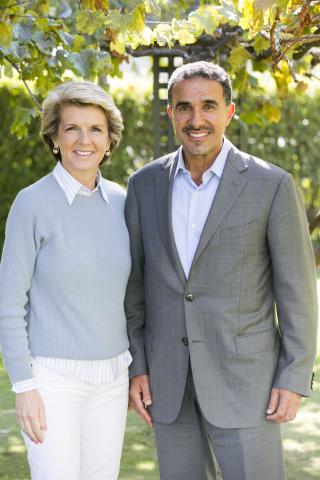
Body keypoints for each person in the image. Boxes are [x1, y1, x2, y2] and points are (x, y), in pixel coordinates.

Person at [124, 61, 318, 480]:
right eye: (184, 107)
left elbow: (297, 293)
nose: (196, 120)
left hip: (247, 384)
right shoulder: (144, 185)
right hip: (167, 383)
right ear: (170, 113)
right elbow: (135, 288)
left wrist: (294, 375)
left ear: (229, 111)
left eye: (208, 106)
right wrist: (138, 366)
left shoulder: (272, 185)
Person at [0, 80, 132, 480]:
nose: (84, 140)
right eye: (71, 128)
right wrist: (24, 387)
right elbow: (8, 303)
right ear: (54, 138)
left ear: (109, 141)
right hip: (51, 382)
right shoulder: (32, 203)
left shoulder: (124, 203)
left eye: (95, 129)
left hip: (112, 380)